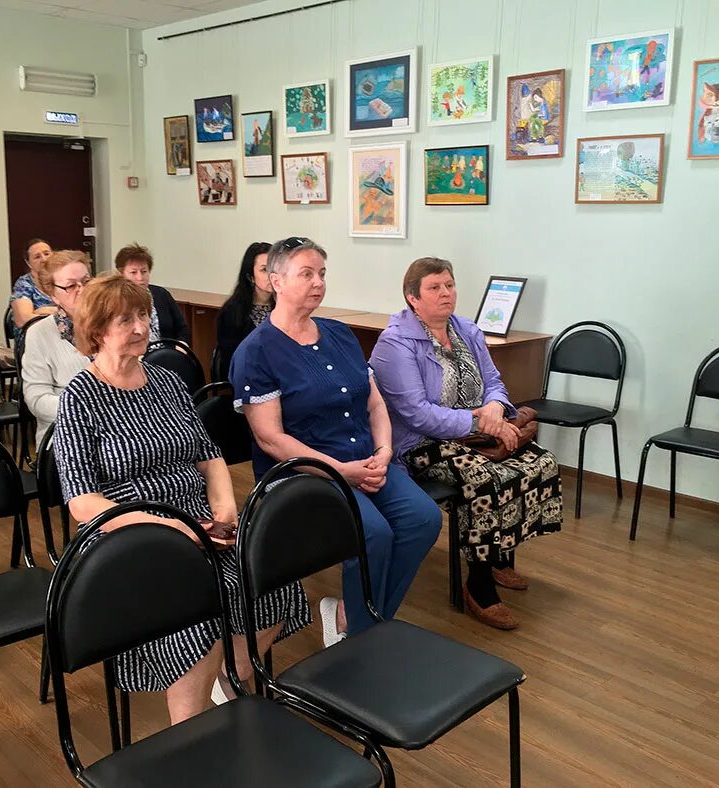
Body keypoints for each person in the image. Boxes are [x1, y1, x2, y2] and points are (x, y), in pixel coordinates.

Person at [53, 274, 309, 724]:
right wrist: (171, 529)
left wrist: (225, 513)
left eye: (141, 316)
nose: (139, 327)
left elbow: (209, 456)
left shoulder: (167, 381)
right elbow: (82, 501)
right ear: (95, 330)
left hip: (199, 523)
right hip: (128, 534)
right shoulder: (81, 396)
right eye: (124, 319)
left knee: (274, 577)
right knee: (197, 609)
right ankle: (189, 736)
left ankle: (229, 677)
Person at [230, 237, 440, 646]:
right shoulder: (256, 351)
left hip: (366, 458)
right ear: (276, 280)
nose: (318, 283)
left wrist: (382, 451)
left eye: (322, 273)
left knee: (423, 519)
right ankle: (362, 640)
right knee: (373, 535)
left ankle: (356, 617)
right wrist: (340, 471)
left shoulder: (339, 333)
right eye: (306, 274)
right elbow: (271, 439)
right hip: (306, 474)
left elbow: (375, 402)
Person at [369, 257, 563, 630]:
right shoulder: (395, 343)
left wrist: (493, 407)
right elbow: (417, 414)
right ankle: (479, 583)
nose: (446, 293)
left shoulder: (467, 330)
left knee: (540, 462)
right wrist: (479, 419)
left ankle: (500, 556)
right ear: (413, 297)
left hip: (476, 430)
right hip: (421, 444)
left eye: (450, 285)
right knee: (486, 478)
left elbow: (494, 382)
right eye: (435, 288)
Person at [21, 249, 92, 448]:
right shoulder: (39, 333)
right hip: (65, 434)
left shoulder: (112, 324)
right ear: (54, 295)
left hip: (116, 430)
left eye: (86, 281)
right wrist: (86, 409)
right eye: (71, 286)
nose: (82, 290)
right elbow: (37, 399)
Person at [214, 241, 273, 379]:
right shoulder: (232, 312)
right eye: (264, 270)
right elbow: (234, 360)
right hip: (249, 381)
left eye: (274, 268)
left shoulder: (284, 307)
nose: (271, 275)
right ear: (250, 276)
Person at [114, 243, 190, 343]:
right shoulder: (116, 300)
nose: (140, 278)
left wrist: (181, 345)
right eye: (133, 272)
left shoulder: (161, 294)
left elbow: (182, 328)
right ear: (121, 274)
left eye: (144, 271)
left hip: (168, 353)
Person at [10, 238, 58, 335]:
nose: (44, 259)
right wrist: (58, 314)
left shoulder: (64, 278)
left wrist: (40, 312)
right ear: (28, 263)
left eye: (47, 254)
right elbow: (22, 320)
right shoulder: (24, 284)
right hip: (34, 338)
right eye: (37, 257)